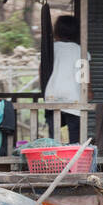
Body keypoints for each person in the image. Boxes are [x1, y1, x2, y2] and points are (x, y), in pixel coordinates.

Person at [43, 15, 83, 143]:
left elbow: (42, 71)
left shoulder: (51, 49)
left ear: (56, 31)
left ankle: (54, 158)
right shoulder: (81, 50)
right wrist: (88, 91)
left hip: (52, 95)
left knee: (54, 135)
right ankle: (74, 158)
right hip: (74, 96)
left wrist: (44, 91)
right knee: (75, 136)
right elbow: (84, 75)